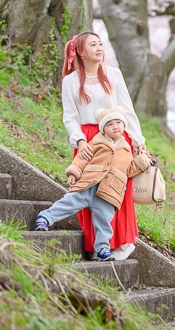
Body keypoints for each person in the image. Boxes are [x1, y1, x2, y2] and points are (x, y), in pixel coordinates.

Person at [57, 30, 149, 260]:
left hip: (117, 138)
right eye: (93, 45)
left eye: (101, 44)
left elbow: (127, 109)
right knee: (89, 189)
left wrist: (138, 141)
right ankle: (97, 245)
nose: (99, 48)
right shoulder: (70, 81)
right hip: (88, 141)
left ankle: (121, 242)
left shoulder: (113, 74)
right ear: (80, 51)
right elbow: (70, 117)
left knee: (116, 190)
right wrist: (79, 140)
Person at [33, 107, 152, 260]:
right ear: (103, 129)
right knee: (69, 202)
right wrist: (74, 172)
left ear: (124, 126)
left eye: (118, 123)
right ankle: (45, 218)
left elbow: (128, 170)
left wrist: (143, 161)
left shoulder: (126, 148)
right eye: (109, 124)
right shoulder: (97, 141)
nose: (115, 126)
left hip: (109, 191)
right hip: (89, 183)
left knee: (104, 221)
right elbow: (83, 158)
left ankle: (102, 248)